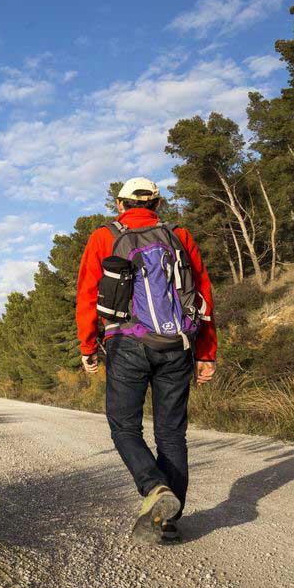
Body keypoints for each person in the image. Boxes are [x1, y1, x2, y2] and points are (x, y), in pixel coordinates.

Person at [76, 178, 217, 544]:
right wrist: (206, 352)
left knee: (124, 428)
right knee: (171, 434)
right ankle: (167, 521)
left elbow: (88, 294)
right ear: (156, 204)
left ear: (120, 204)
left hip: (126, 343)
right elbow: (202, 293)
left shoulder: (105, 235)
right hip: (178, 343)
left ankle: (155, 489)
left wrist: (88, 346)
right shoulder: (178, 234)